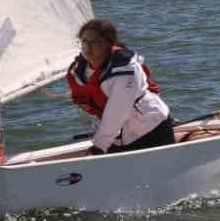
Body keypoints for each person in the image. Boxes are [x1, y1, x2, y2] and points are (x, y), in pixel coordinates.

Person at [66, 19, 175, 155]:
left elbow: (117, 111)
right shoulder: (80, 70)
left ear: (109, 43)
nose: (87, 47)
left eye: (95, 42)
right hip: (117, 136)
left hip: (150, 129)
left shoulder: (125, 68)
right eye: (84, 41)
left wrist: (99, 146)